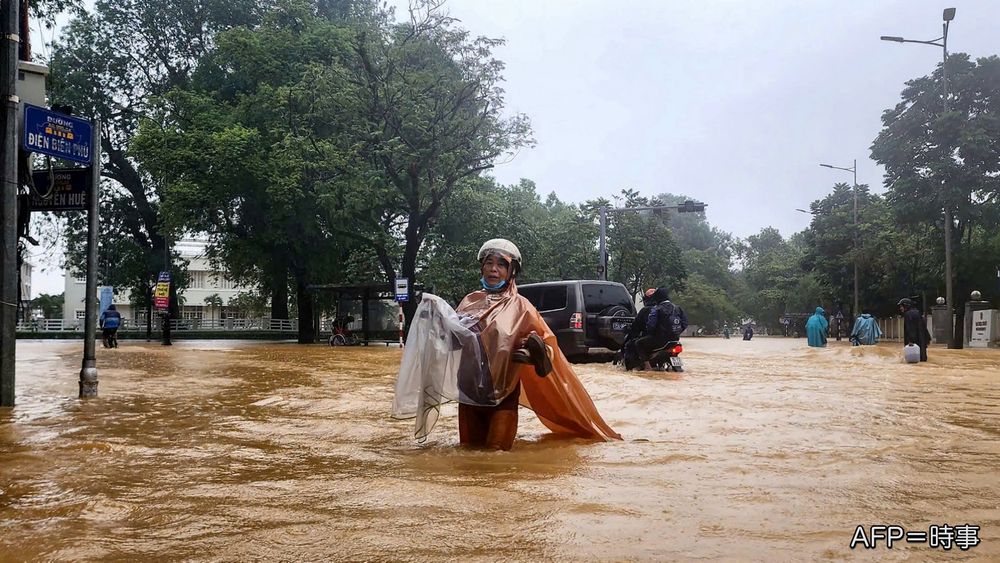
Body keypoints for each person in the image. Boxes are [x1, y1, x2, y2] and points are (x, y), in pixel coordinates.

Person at [393, 238, 621, 450]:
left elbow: (549, 349)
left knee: (496, 456)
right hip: (469, 393)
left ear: (511, 271)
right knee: (469, 456)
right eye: (489, 263)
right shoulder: (469, 301)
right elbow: (454, 345)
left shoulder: (522, 307)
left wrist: (535, 354)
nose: (494, 269)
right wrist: (436, 323)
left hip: (503, 394)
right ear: (481, 267)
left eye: (501, 265)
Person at [632, 287, 687, 369]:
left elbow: (650, 326)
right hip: (675, 340)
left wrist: (652, 332)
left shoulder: (656, 309)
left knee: (638, 343)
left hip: (659, 340)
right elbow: (685, 323)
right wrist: (677, 332)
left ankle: (648, 368)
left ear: (657, 297)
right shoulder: (677, 308)